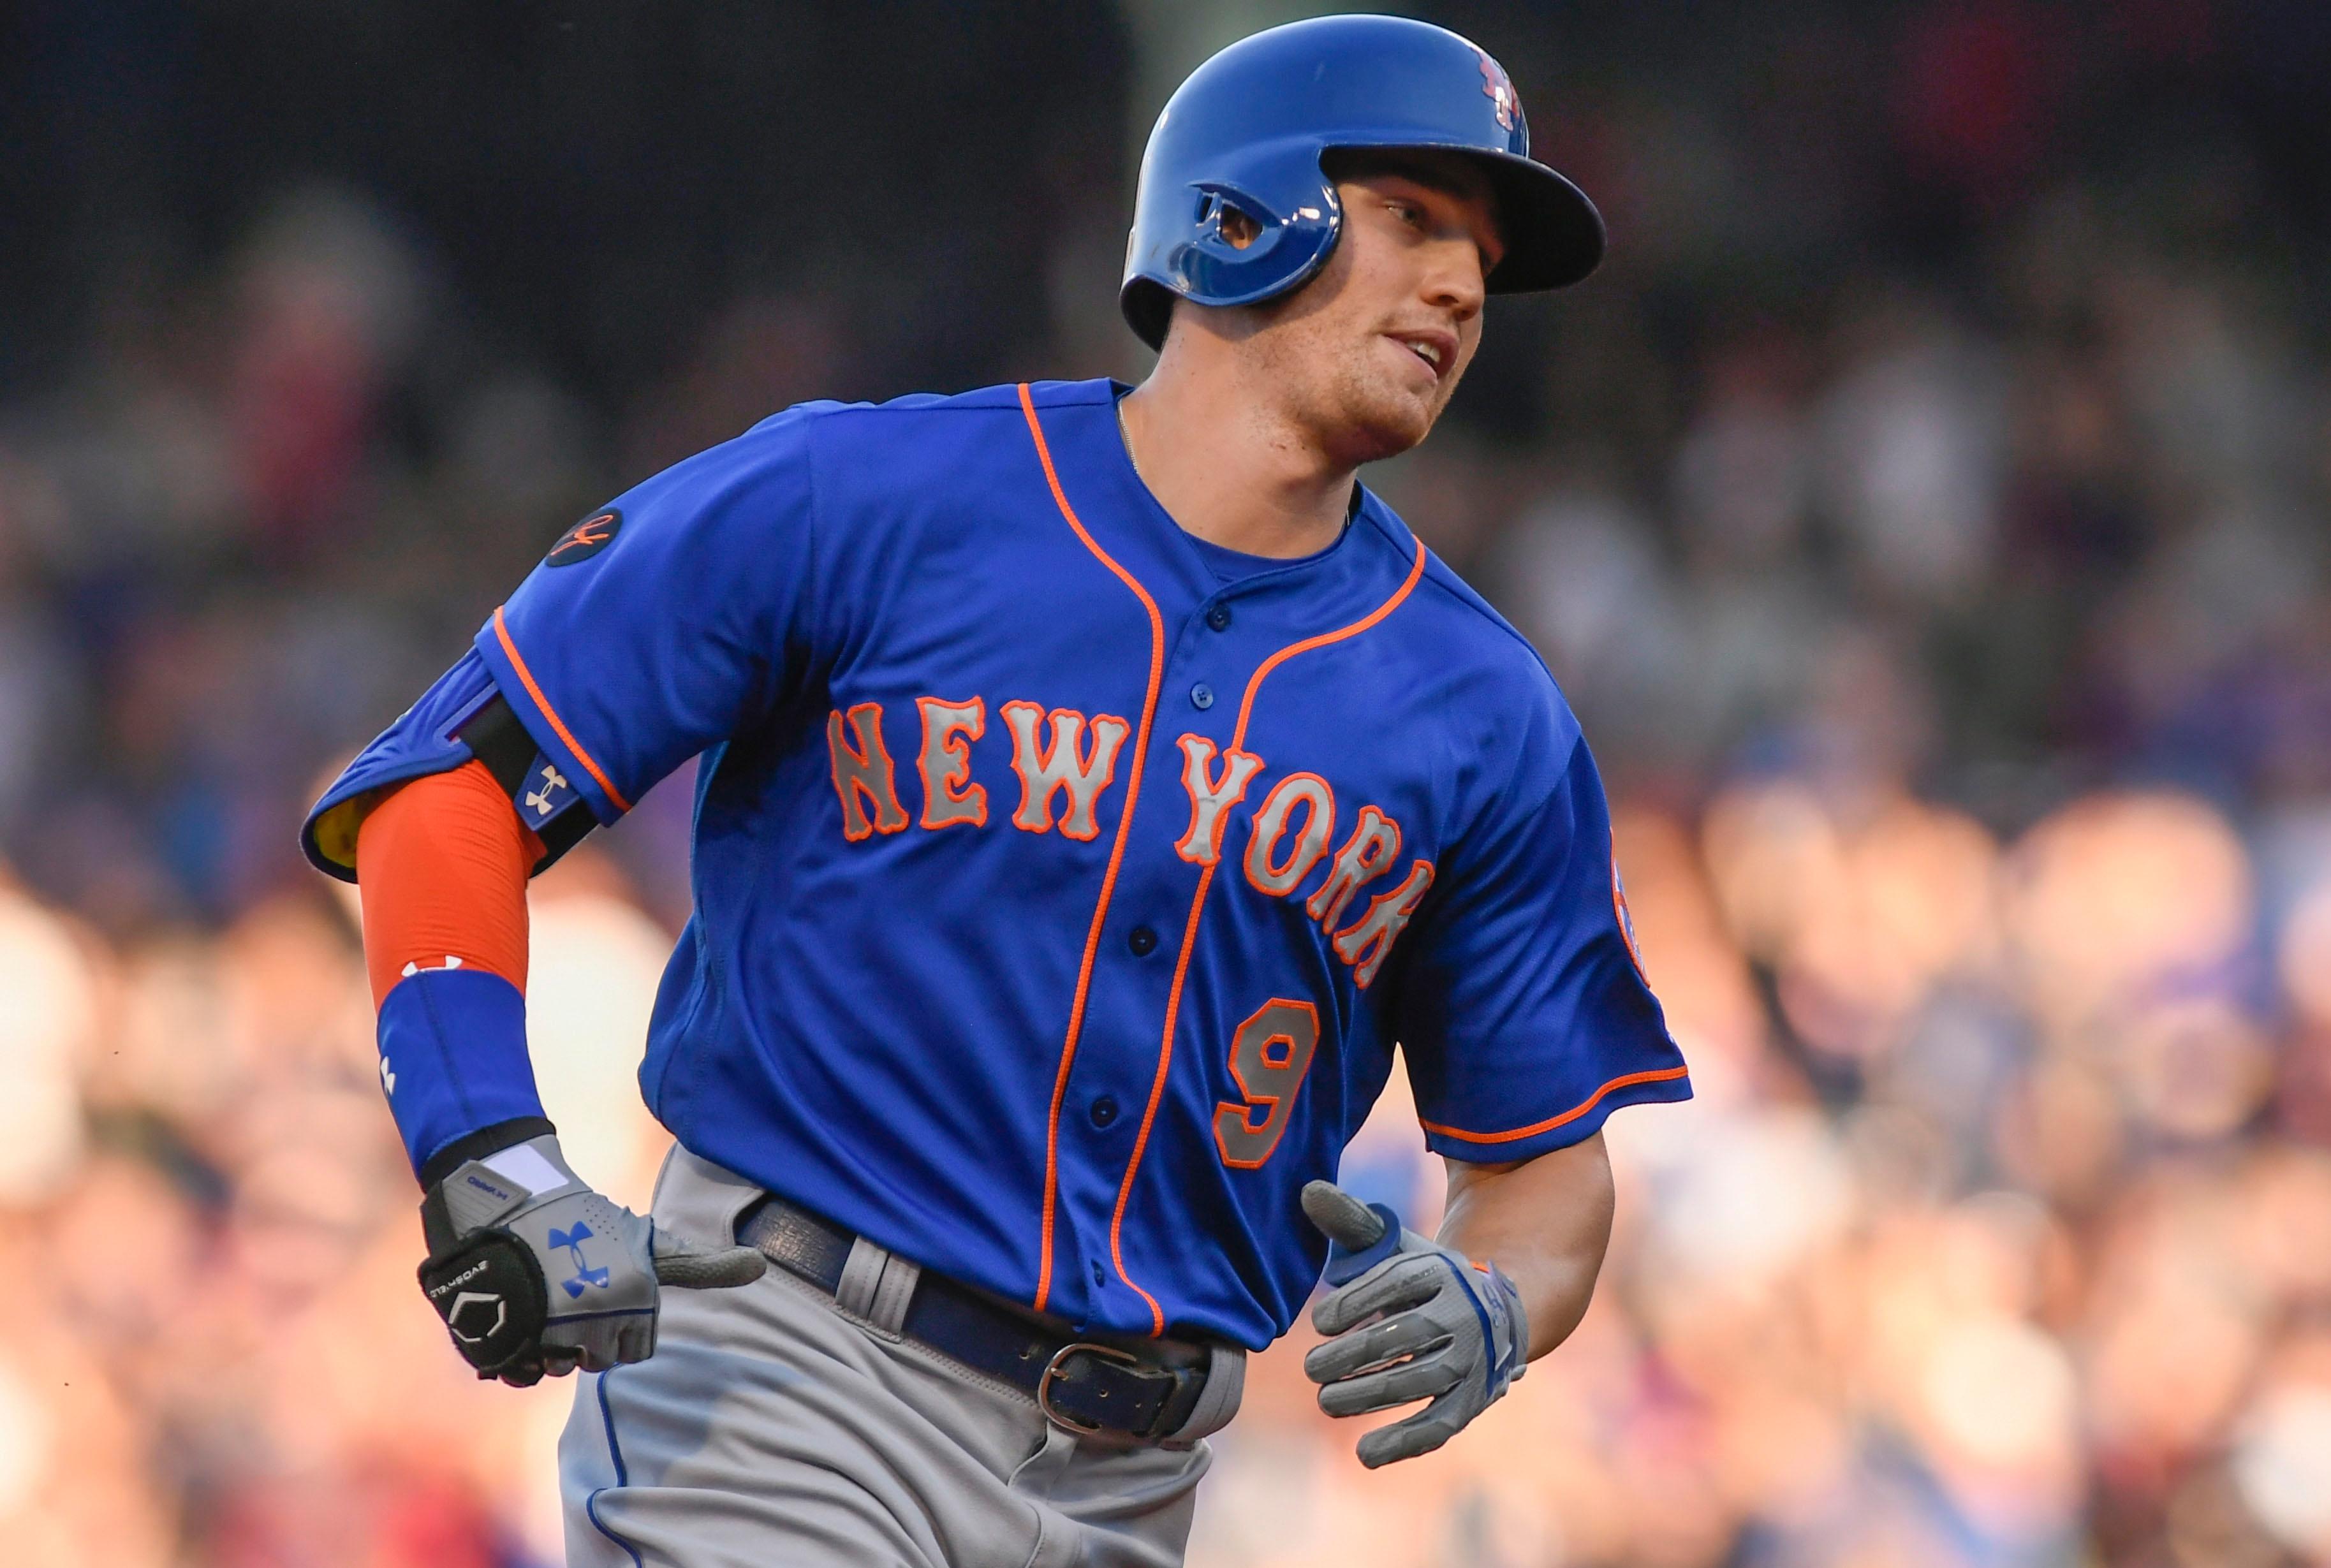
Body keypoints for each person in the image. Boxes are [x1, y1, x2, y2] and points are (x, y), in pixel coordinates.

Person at [301, 15, 1689, 1565]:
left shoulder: (1486, 712)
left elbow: (1545, 1173)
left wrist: (1495, 1297)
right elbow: (453, 788)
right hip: (789, 1376)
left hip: (1136, 1483)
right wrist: (485, 1147)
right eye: (1414, 220)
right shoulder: (868, 499)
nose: (1459, 286)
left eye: (1482, 259)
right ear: (1237, 218)